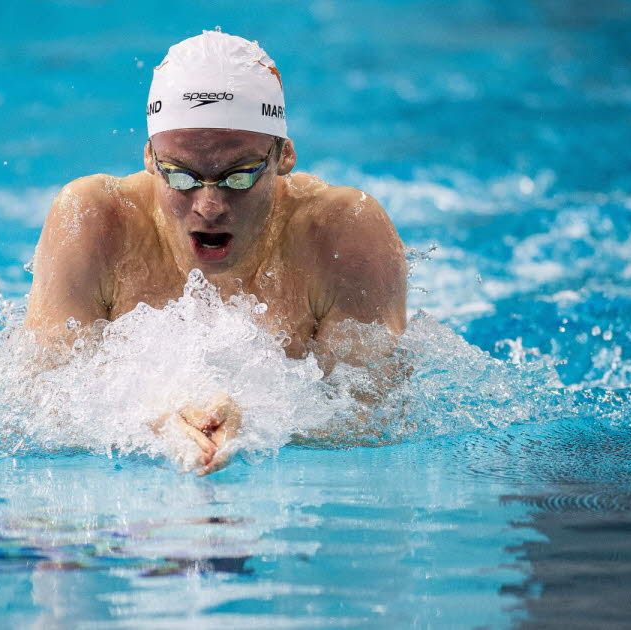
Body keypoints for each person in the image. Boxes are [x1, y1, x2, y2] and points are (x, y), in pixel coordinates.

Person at [25, 30, 407, 474]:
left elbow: (376, 414)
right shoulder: (94, 220)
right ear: (149, 158)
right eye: (181, 177)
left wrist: (260, 422)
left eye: (239, 176)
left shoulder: (342, 232)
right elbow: (41, 405)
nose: (209, 207)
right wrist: (154, 421)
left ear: (284, 155)